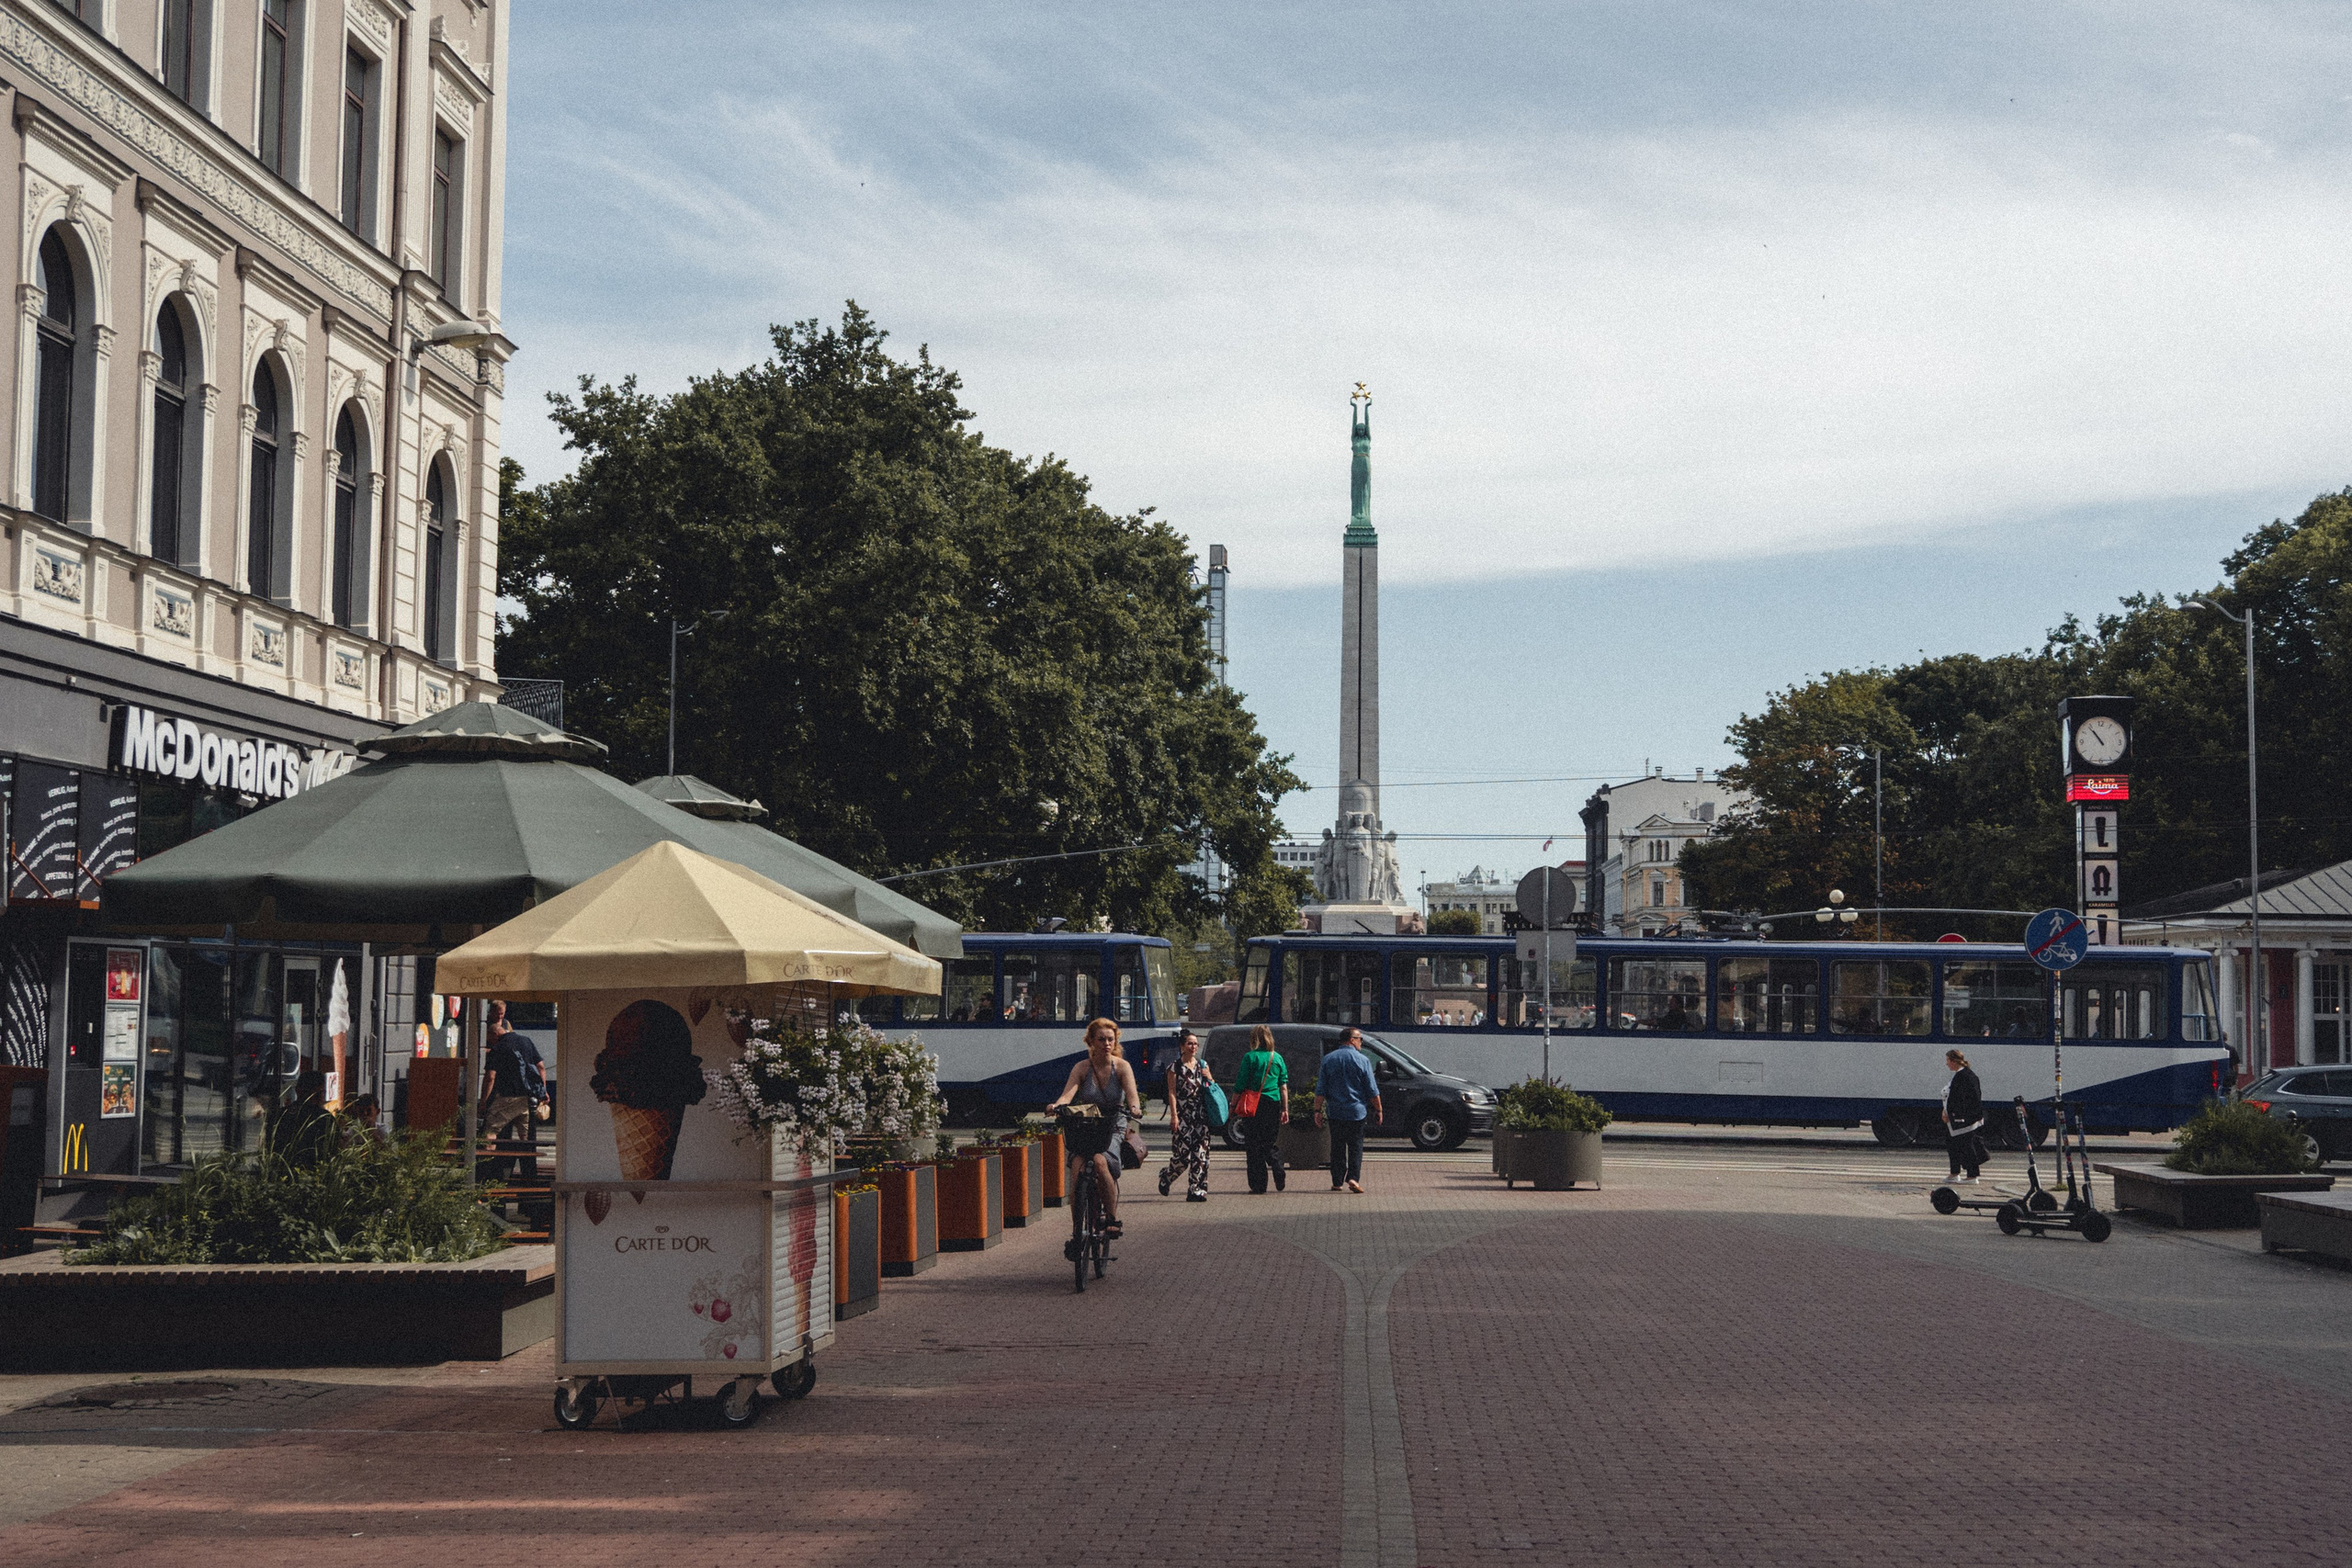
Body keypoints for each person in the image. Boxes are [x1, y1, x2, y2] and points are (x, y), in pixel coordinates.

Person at [1046, 1018, 1142, 1235]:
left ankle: (1111, 1218)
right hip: (1087, 1123)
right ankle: (1077, 1230)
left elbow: (1132, 1095)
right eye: (1101, 1039)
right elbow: (1067, 1095)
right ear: (1091, 1041)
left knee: (1100, 1161)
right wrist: (1056, 1106)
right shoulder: (1081, 1068)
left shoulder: (1122, 1067)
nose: (1107, 1043)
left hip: (1112, 1124)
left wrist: (1134, 1108)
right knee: (1078, 1166)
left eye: (1111, 1039)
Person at [480, 1001, 549, 1177]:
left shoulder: (498, 1048)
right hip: (526, 1100)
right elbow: (541, 1067)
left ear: (494, 1034)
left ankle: (487, 1175)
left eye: (490, 1039)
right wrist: (543, 1091)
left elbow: (490, 1078)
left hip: (506, 1098)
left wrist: (484, 1102)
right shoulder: (526, 1041)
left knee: (490, 1132)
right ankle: (529, 1176)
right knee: (526, 1139)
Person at [1315, 1027, 1383, 1193]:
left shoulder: (1328, 1059)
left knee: (1337, 1147)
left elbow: (1321, 1088)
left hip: (1335, 1111)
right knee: (1355, 1147)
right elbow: (1372, 1090)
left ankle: (1337, 1181)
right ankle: (1353, 1178)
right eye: (1360, 1039)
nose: (1361, 1043)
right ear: (1352, 1040)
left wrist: (1317, 1110)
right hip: (1356, 1112)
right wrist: (1379, 1109)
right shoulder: (1363, 1060)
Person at [1158, 1028, 1215, 1201]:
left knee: (1201, 1155)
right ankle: (1167, 1176)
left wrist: (1209, 1077)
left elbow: (1211, 1088)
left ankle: (1196, 1190)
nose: (1193, 1047)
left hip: (1200, 1116)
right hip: (1183, 1116)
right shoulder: (1174, 1068)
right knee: (1182, 1157)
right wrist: (1174, 1116)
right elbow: (1172, 1093)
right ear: (1182, 1046)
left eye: (1196, 1044)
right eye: (1190, 1043)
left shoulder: (1202, 1065)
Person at [1235, 1023, 1290, 1194]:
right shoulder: (1277, 1058)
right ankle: (1277, 1165)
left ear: (1254, 1039)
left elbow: (1240, 1084)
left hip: (1253, 1104)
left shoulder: (1250, 1057)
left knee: (1253, 1145)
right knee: (1269, 1141)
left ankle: (1258, 1185)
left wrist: (1232, 1105)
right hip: (1273, 1102)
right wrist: (1285, 1108)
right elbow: (1284, 1087)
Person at [267, 1069, 337, 1168]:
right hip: (314, 1177)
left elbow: (271, 1148)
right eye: (321, 1093)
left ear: (298, 1090)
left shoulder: (280, 1115)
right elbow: (331, 1152)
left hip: (281, 1174)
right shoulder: (324, 1119)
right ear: (320, 1093)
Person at [1942, 1048, 1986, 1182]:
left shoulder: (1965, 1076)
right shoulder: (1961, 1075)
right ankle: (1954, 1173)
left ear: (1954, 1061)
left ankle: (1972, 1175)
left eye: (1948, 1060)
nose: (1947, 1064)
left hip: (1963, 1118)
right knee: (1953, 1144)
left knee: (1967, 1145)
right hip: (1956, 1117)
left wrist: (1952, 1113)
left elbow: (1966, 1099)